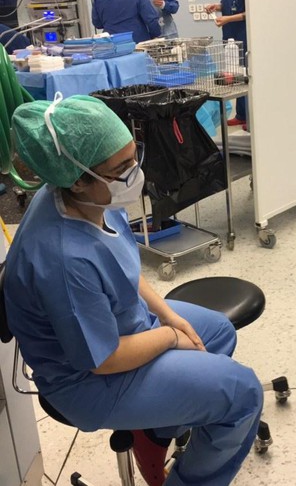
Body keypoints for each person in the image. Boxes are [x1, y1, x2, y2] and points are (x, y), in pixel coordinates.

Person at [2, 95, 263, 486]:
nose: (135, 173)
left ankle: (157, 429)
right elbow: (103, 359)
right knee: (243, 394)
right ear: (77, 178)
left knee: (217, 331)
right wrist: (170, 336)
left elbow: (120, 260)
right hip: (93, 383)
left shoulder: (93, 197)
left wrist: (170, 315)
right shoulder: (63, 259)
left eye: (133, 156)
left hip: (119, 328)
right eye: (121, 167)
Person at [204, 0, 248, 126]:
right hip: (229, 33)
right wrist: (217, 6)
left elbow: (249, 12)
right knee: (234, 74)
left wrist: (228, 18)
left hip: (242, 33)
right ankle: (241, 115)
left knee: (245, 74)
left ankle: (250, 116)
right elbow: (229, 5)